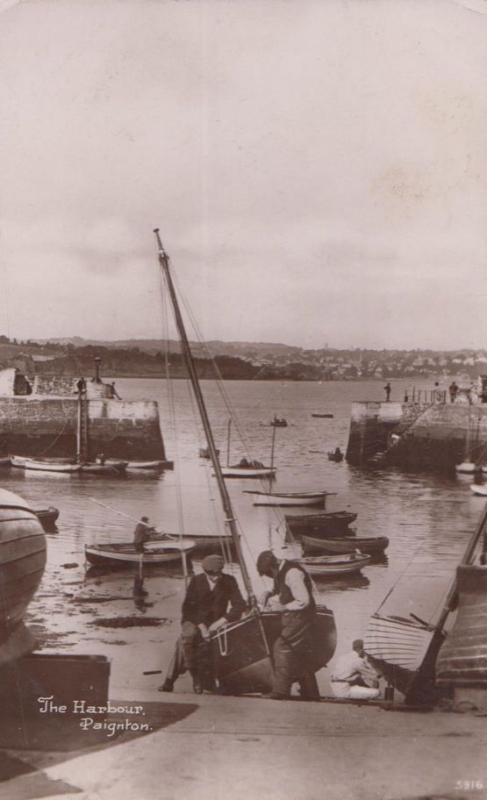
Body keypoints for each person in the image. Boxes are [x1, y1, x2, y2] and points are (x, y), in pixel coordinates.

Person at [159, 554, 246, 694]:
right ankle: (195, 678)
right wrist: (202, 626)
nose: (216, 577)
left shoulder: (229, 581)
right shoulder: (196, 581)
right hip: (194, 620)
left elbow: (239, 605)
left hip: (217, 622)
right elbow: (187, 608)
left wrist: (222, 621)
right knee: (188, 637)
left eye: (218, 574)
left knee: (181, 644)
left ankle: (170, 680)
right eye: (212, 575)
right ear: (205, 572)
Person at [256, 550, 321, 701]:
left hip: (301, 617)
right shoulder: (281, 570)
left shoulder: (292, 573)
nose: (269, 576)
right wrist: (269, 592)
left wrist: (283, 607)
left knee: (281, 647)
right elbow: (281, 588)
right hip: (296, 617)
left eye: (268, 574)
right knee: (298, 652)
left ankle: (281, 691)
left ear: (273, 567)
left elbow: (303, 600)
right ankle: (311, 692)